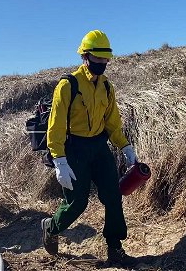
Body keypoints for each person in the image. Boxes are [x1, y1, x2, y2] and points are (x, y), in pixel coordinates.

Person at [41, 30, 139, 266]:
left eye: (106, 59)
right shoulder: (68, 85)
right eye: (98, 59)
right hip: (74, 149)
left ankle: (115, 248)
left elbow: (112, 123)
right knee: (77, 202)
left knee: (113, 196)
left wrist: (125, 146)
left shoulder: (107, 87)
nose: (102, 64)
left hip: (99, 147)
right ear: (85, 56)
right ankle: (51, 227)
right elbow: (54, 127)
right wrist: (60, 160)